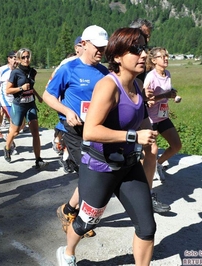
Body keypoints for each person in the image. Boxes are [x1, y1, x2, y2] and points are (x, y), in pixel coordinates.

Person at [56, 27, 157, 266]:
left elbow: (141, 120)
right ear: (118, 56)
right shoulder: (108, 86)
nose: (143, 55)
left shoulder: (138, 86)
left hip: (128, 166)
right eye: (135, 49)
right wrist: (134, 137)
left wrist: (149, 137)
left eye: (143, 48)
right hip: (100, 168)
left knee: (147, 226)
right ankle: (68, 252)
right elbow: (91, 131)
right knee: (86, 223)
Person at [43, 25, 109, 238]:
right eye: (97, 47)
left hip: (97, 130)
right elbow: (48, 96)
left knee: (96, 175)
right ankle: (78, 218)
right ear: (84, 44)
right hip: (74, 130)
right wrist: (67, 111)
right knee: (90, 175)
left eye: (104, 47)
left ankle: (68, 210)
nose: (101, 51)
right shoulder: (69, 69)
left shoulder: (105, 72)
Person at [129, 19, 171, 213]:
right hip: (126, 106)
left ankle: (146, 195)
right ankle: (76, 207)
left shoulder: (144, 55)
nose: (147, 39)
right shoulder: (126, 53)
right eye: (145, 34)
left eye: (148, 35)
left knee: (151, 148)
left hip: (142, 108)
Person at [4, 48, 48, 169]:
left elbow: (30, 86)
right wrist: (21, 88)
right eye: (23, 57)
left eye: (27, 56)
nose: (26, 59)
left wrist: (38, 97)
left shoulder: (33, 71)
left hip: (30, 104)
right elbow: (8, 90)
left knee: (35, 132)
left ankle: (38, 159)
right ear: (18, 59)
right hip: (19, 105)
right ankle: (7, 147)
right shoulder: (15, 72)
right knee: (15, 131)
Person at [143, 47, 182, 183]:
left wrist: (173, 95)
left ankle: (158, 164)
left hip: (163, 116)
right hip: (150, 119)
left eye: (166, 56)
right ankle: (148, 174)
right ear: (154, 60)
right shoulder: (151, 76)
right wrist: (164, 96)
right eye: (162, 56)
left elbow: (167, 91)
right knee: (152, 149)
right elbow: (146, 98)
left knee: (176, 145)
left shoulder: (168, 74)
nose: (165, 58)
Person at [47, 36, 84, 173]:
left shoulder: (95, 66)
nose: (84, 48)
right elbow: (52, 83)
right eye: (80, 45)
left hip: (86, 114)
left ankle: (68, 157)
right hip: (67, 106)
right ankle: (65, 155)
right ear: (76, 48)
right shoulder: (68, 63)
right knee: (67, 131)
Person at [0, 50, 18, 148]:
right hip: (5, 98)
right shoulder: (2, 70)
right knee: (13, 120)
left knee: (20, 123)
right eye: (14, 58)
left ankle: (8, 137)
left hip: (16, 100)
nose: (16, 61)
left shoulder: (18, 70)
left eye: (17, 58)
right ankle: (9, 145)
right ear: (9, 59)